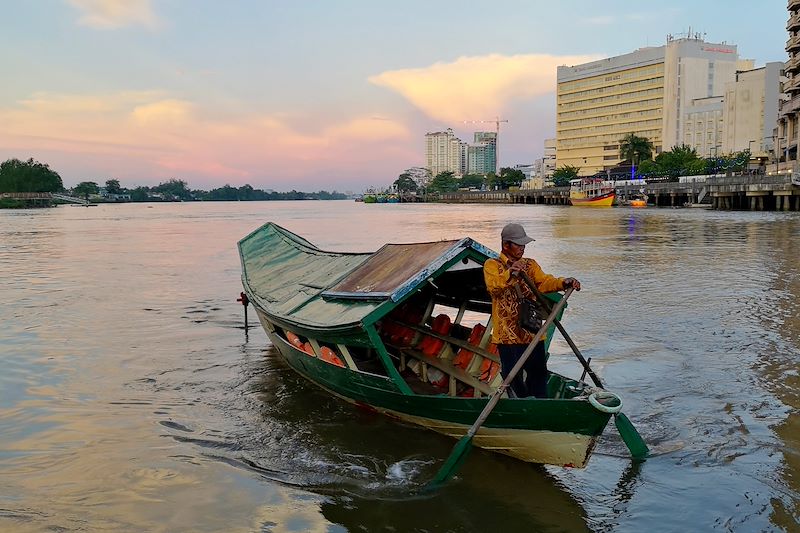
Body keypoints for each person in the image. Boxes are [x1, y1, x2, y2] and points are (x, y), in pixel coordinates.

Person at [483, 223, 581, 398]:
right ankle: (520, 406)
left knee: (538, 375)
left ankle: (540, 405)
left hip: (531, 332)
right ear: (506, 245)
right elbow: (493, 287)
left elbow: (544, 282)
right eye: (518, 244)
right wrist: (509, 274)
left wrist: (563, 282)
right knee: (513, 378)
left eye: (523, 244)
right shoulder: (492, 265)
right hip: (508, 335)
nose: (522, 248)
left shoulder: (530, 265)